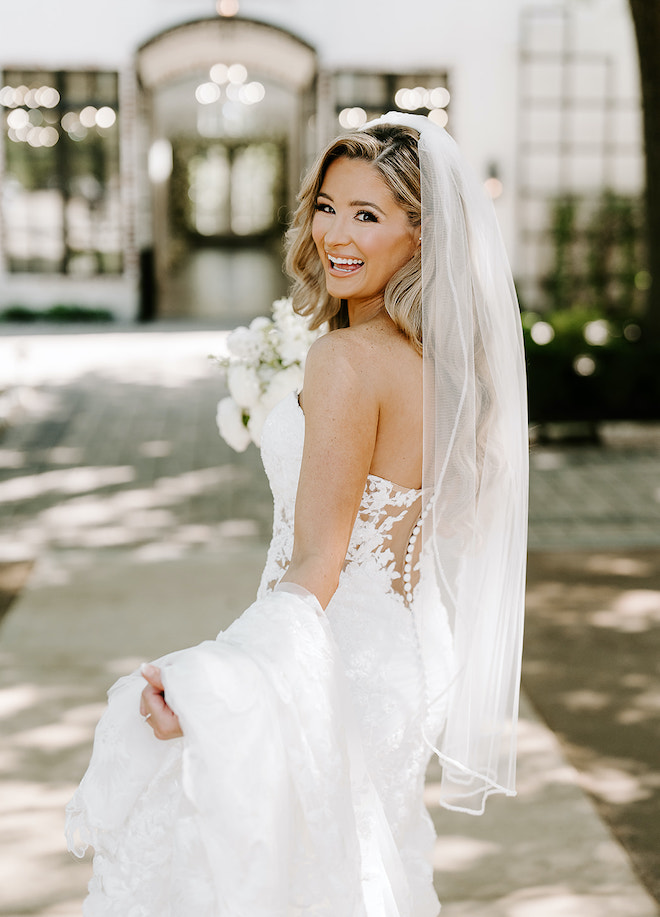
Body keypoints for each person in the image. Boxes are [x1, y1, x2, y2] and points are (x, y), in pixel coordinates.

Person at [66, 112, 528, 917]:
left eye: (368, 215)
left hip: (331, 659)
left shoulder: (345, 360)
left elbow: (319, 561)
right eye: (327, 205)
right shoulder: (444, 372)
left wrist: (210, 683)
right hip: (405, 660)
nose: (335, 234)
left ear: (420, 236)